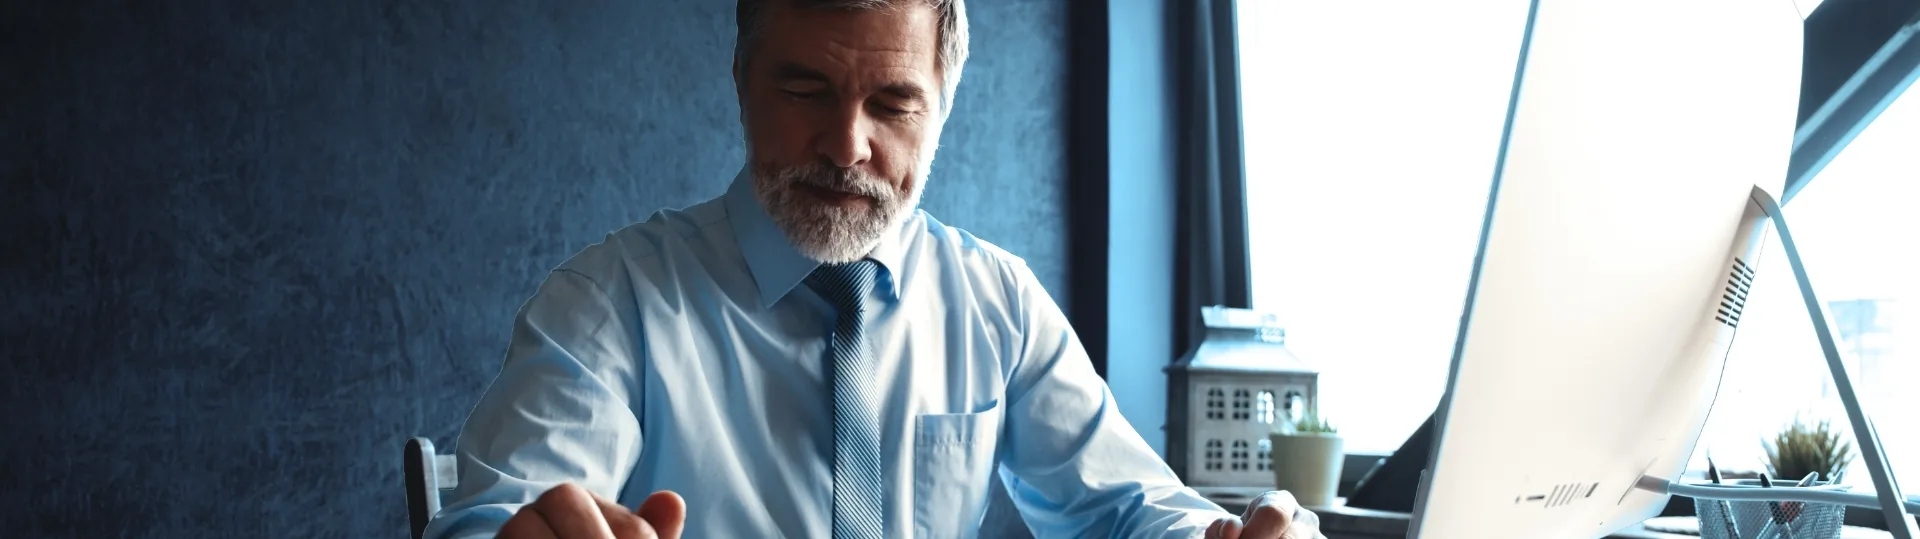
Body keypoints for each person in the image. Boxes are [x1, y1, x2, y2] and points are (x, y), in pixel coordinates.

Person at [422, 1, 1323, 537]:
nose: (846, 145)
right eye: (804, 89)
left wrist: (1220, 535)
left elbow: (1129, 510)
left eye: (893, 102)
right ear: (743, 77)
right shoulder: (608, 305)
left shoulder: (996, 304)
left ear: (944, 104)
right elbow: (507, 512)